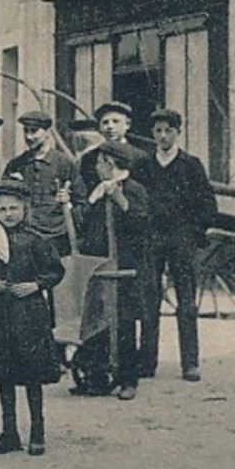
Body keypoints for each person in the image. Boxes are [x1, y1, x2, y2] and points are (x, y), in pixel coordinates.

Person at [0, 179, 65, 456]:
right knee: (4, 375)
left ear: (25, 209)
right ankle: (9, 433)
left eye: (14, 208)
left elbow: (55, 271)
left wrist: (36, 285)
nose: (8, 214)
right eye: (3, 209)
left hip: (28, 315)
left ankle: (37, 433)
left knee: (32, 375)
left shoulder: (35, 240)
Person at [136, 108, 216, 381]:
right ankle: (147, 362)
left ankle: (190, 363)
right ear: (152, 134)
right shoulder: (144, 166)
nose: (163, 136)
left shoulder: (191, 165)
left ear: (178, 132)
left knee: (186, 302)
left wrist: (193, 232)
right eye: (158, 131)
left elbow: (207, 204)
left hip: (182, 240)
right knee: (149, 300)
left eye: (168, 130)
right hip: (152, 239)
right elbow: (136, 201)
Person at [73, 139, 151, 399]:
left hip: (126, 268)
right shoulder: (97, 190)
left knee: (125, 323)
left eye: (99, 162)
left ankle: (128, 379)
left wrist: (120, 200)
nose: (96, 167)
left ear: (111, 163)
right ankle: (97, 376)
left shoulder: (134, 189)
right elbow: (87, 226)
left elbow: (142, 223)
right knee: (99, 322)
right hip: (101, 266)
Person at [0, 110, 82, 256]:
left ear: (47, 132)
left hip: (57, 237)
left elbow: (81, 202)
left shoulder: (64, 163)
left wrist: (68, 204)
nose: (28, 137)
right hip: (26, 235)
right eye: (26, 131)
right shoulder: (17, 164)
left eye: (34, 131)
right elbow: (2, 200)